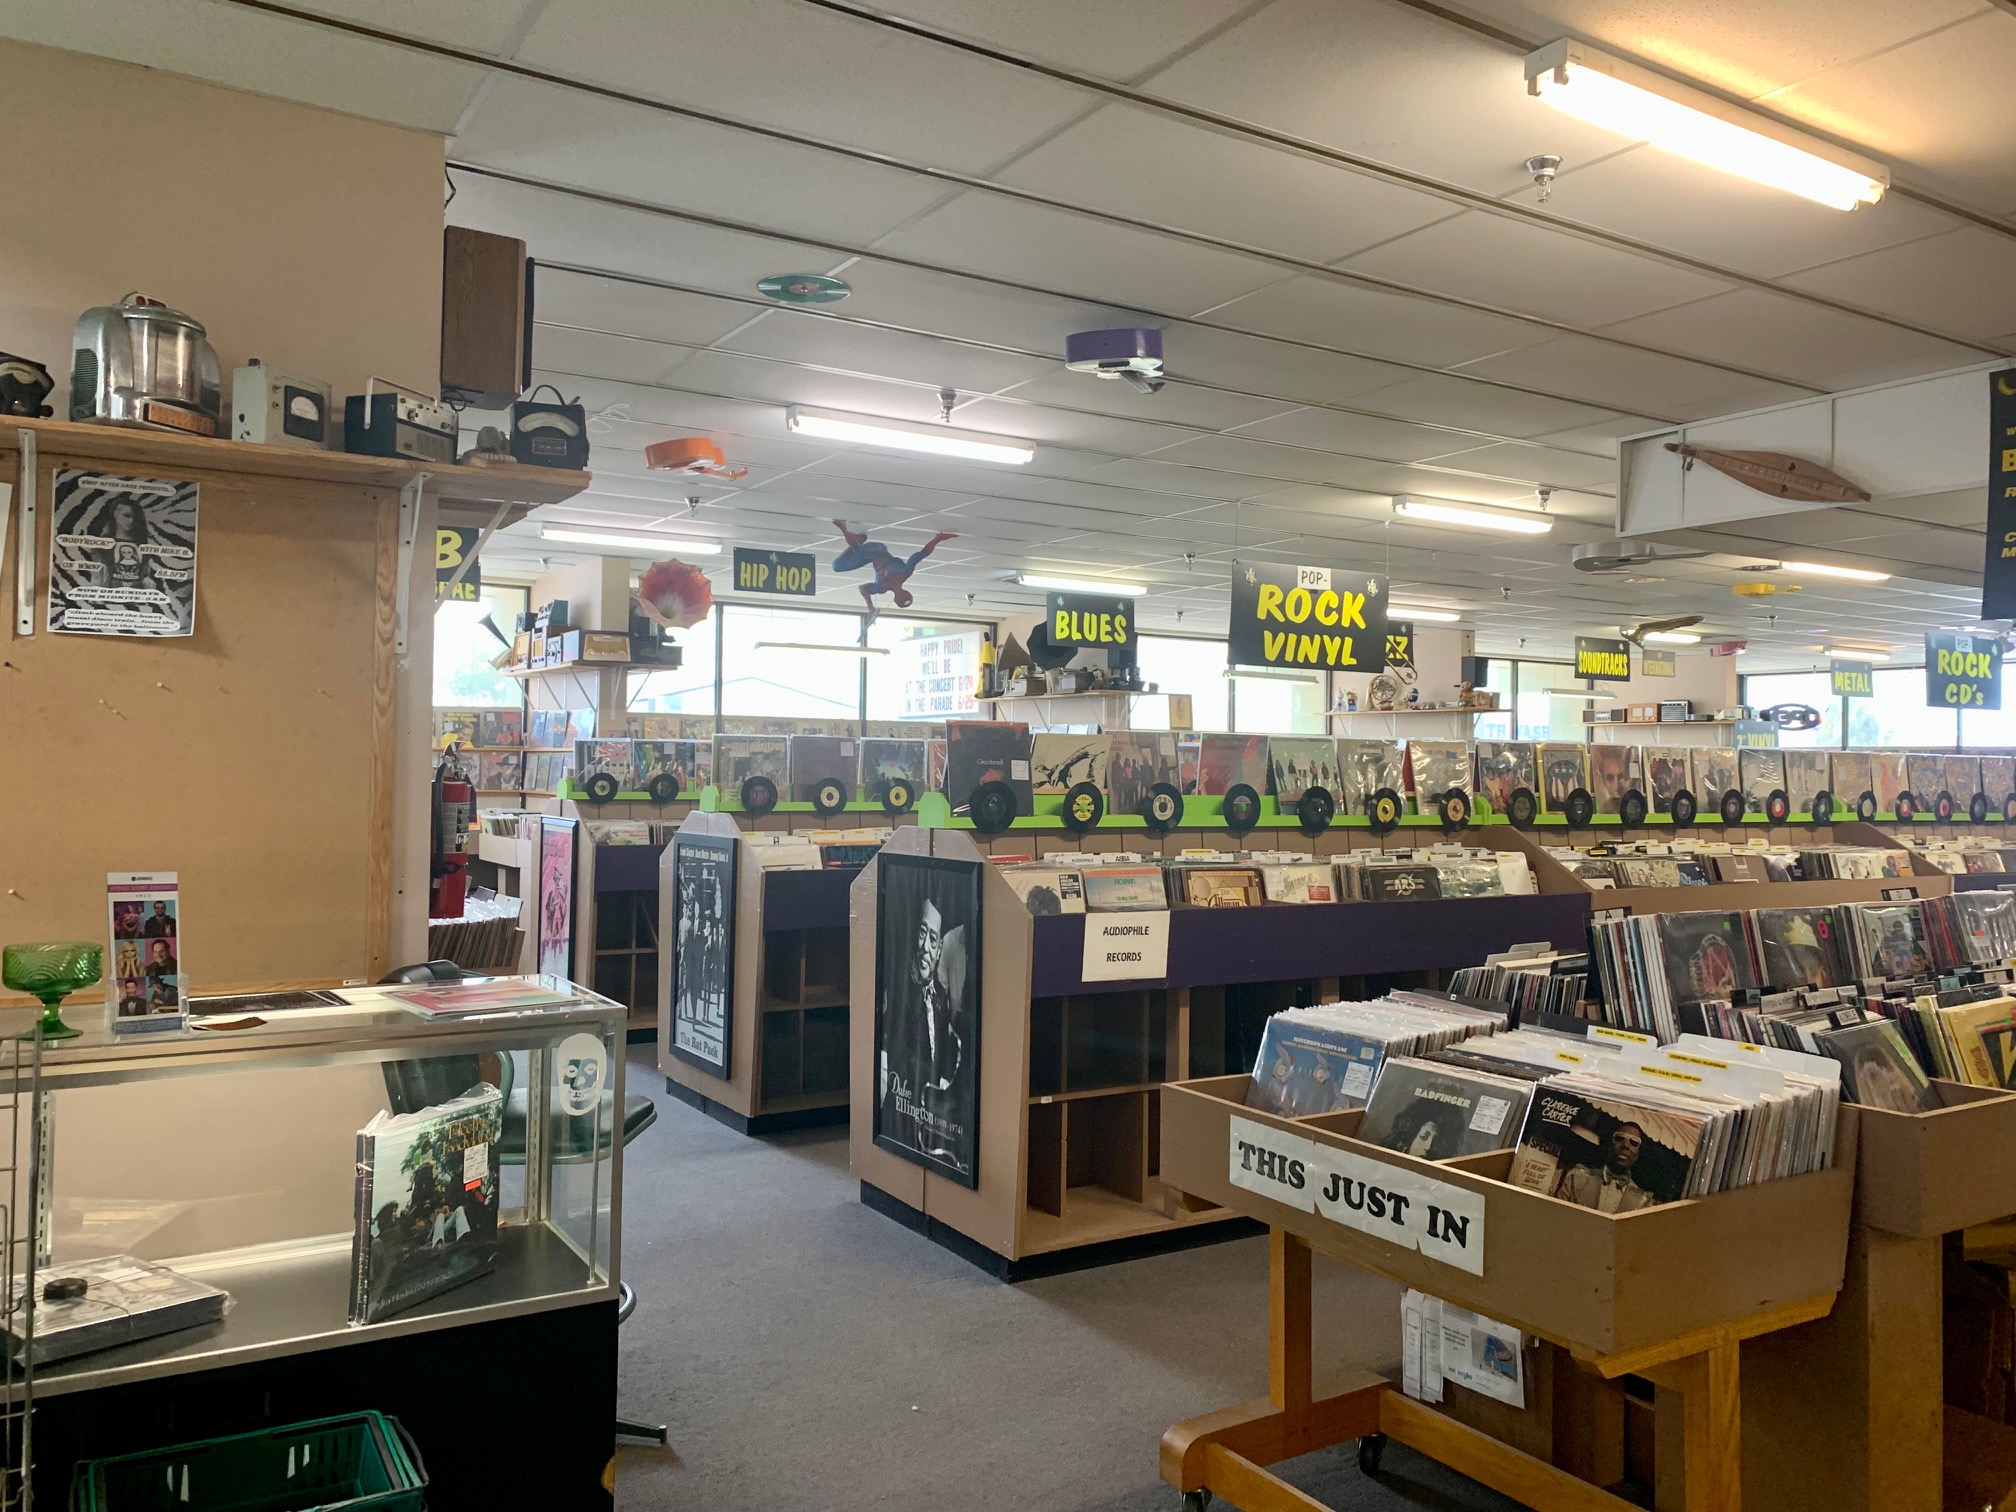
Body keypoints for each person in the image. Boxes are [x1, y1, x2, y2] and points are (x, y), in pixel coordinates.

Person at [878, 891, 973, 1173]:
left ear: (940, 949)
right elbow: (891, 1057)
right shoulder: (897, 991)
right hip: (901, 1109)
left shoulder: (941, 997)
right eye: (922, 934)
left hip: (931, 1113)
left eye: (933, 939)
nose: (925, 947)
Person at [1554, 1121, 1659, 1212]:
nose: (1625, 1145)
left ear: (1637, 1155)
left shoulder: (1642, 1202)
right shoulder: (1577, 1178)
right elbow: (1557, 1215)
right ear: (1610, 1146)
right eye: (1619, 1138)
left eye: (1634, 1142)